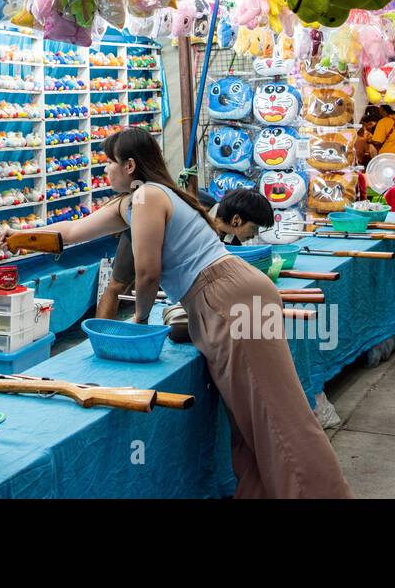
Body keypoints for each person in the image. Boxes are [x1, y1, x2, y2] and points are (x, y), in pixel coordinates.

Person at [23, 127, 351, 498]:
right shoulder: (138, 199)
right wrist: (12, 236)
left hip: (229, 298)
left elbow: (148, 272)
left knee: (276, 418)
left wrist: (140, 323)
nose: (105, 172)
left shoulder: (147, 197)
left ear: (129, 165)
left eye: (109, 164)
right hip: (230, 295)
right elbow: (70, 231)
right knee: (252, 421)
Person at [200, 188, 273, 244]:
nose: (256, 234)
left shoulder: (232, 242)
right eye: (254, 227)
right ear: (236, 220)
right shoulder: (196, 205)